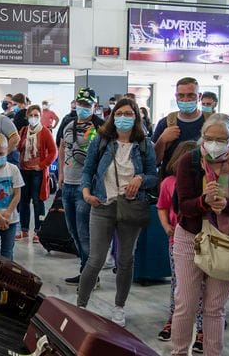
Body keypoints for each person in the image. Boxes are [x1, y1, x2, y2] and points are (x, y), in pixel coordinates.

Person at [171, 113, 229, 356]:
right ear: (202, 137)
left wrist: (226, 205)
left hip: (226, 239)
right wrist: (204, 202)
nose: (214, 144)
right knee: (185, 303)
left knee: (215, 306)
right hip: (191, 236)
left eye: (221, 139)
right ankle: (178, 352)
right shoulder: (190, 160)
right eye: (209, 138)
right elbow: (182, 207)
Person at [78, 97, 158, 327]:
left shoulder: (145, 145)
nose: (124, 117)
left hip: (130, 207)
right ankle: (80, 305)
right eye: (119, 113)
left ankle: (119, 307)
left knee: (125, 259)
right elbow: (88, 169)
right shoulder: (102, 140)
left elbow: (154, 176)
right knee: (95, 259)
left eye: (129, 113)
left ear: (136, 117)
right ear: (113, 116)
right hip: (102, 204)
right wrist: (85, 192)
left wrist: (141, 178)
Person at [59, 87, 105, 286]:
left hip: (85, 187)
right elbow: (61, 146)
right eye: (81, 104)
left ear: (94, 106)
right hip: (67, 183)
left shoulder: (101, 127)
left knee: (85, 232)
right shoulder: (68, 123)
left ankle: (91, 276)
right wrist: (60, 172)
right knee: (73, 232)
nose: (83, 108)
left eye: (88, 105)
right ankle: (85, 270)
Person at [155, 140, 199, 343]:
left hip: (203, 240)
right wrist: (165, 226)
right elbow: (162, 206)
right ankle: (174, 318)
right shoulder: (168, 183)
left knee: (203, 286)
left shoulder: (205, 182)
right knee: (178, 283)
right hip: (177, 240)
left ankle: (202, 324)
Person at [17, 105, 58, 242]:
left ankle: (38, 231)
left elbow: (54, 152)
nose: (33, 118)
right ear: (27, 116)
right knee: (23, 201)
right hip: (24, 171)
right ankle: (24, 230)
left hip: (38, 173)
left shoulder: (45, 132)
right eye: (31, 115)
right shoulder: (23, 131)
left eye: (36, 115)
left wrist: (42, 165)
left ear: (40, 117)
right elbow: (18, 147)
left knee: (37, 201)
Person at [153, 77, 206, 175]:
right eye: (181, 95)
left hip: (204, 181)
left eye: (191, 95)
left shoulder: (210, 122)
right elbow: (154, 162)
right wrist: (162, 140)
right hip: (171, 181)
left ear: (199, 96)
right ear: (176, 96)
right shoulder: (165, 123)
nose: (185, 99)